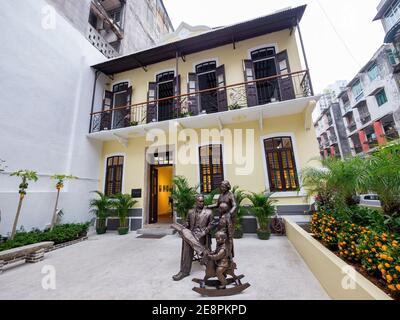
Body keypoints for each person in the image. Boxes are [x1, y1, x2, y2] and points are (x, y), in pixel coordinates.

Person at [171, 195, 213, 281]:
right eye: (200, 201)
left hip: (202, 236)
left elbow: (211, 225)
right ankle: (185, 271)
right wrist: (184, 225)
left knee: (187, 240)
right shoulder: (190, 212)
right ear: (196, 202)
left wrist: (203, 232)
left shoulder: (209, 212)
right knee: (186, 235)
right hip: (191, 233)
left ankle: (184, 271)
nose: (202, 203)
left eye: (202, 201)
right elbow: (187, 222)